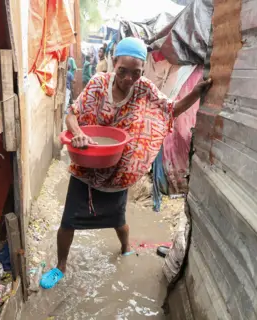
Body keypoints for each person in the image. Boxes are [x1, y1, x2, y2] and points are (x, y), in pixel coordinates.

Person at [40, 37, 212, 289]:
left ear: (142, 71)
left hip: (120, 169)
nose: (129, 79)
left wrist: (195, 95)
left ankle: (125, 249)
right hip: (87, 164)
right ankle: (61, 266)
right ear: (114, 63)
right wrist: (77, 132)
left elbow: (169, 110)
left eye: (136, 73)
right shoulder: (98, 84)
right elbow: (72, 114)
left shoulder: (144, 88)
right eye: (123, 71)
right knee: (69, 220)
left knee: (118, 218)